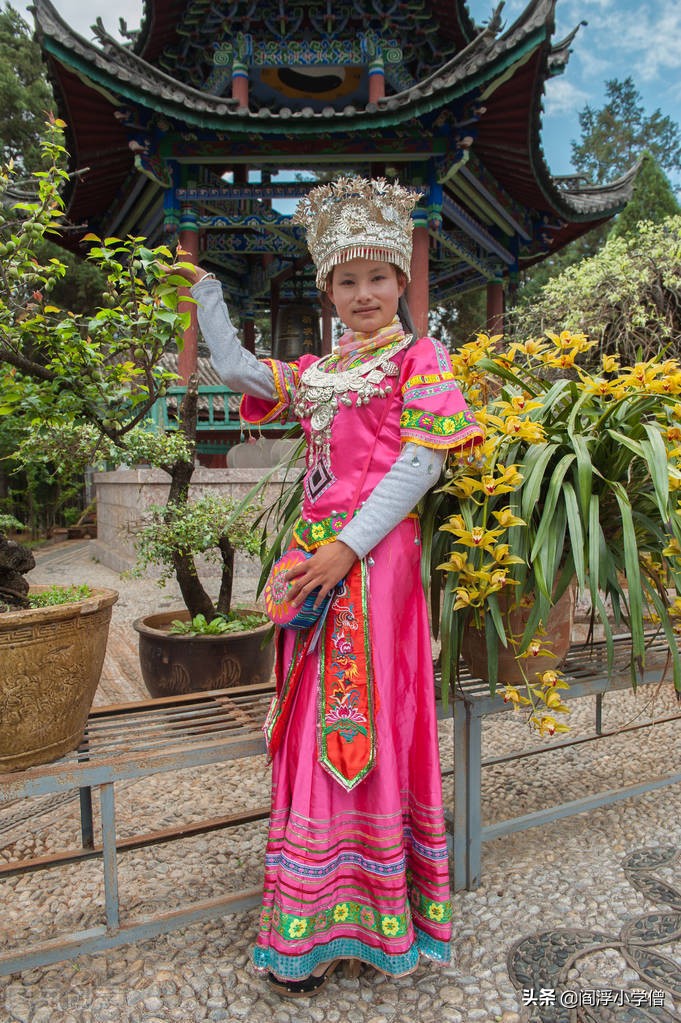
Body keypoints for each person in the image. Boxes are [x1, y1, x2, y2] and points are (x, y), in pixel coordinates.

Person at [168, 176, 482, 996]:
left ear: (401, 283)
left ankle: (372, 914)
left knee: (362, 718)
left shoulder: (421, 357)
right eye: (347, 281)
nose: (365, 293)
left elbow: (422, 460)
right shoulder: (319, 371)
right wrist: (205, 294)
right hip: (316, 567)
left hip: (374, 567)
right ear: (327, 291)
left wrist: (346, 546)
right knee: (312, 719)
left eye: (379, 276)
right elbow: (235, 365)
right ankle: (308, 918)